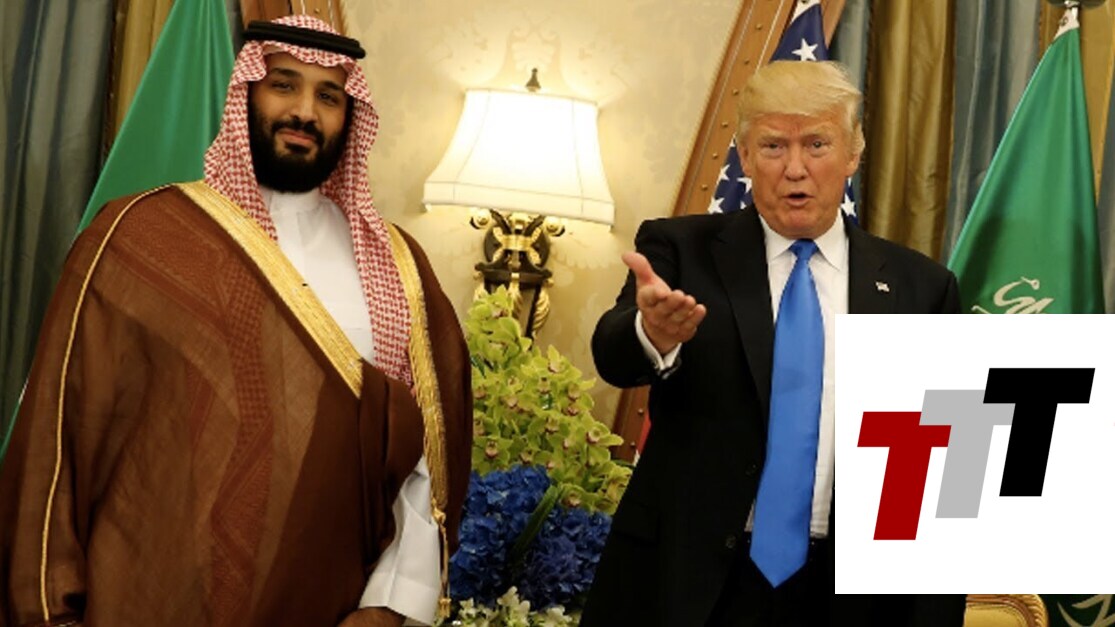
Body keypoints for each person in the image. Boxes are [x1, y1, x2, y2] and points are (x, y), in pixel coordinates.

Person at [0, 15, 471, 627]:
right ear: (245, 91)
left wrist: (389, 604)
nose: (304, 112)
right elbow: (63, 433)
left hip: (323, 602)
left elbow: (422, 455)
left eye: (329, 96)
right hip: (155, 592)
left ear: (351, 115)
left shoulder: (395, 265)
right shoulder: (143, 236)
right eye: (283, 85)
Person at [582, 61, 965, 626]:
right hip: (692, 582)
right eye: (773, 146)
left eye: (817, 144)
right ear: (744, 155)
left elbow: (942, 473)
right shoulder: (681, 250)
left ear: (854, 153)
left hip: (851, 594)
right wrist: (652, 334)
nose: (795, 168)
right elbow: (613, 354)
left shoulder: (922, 288)